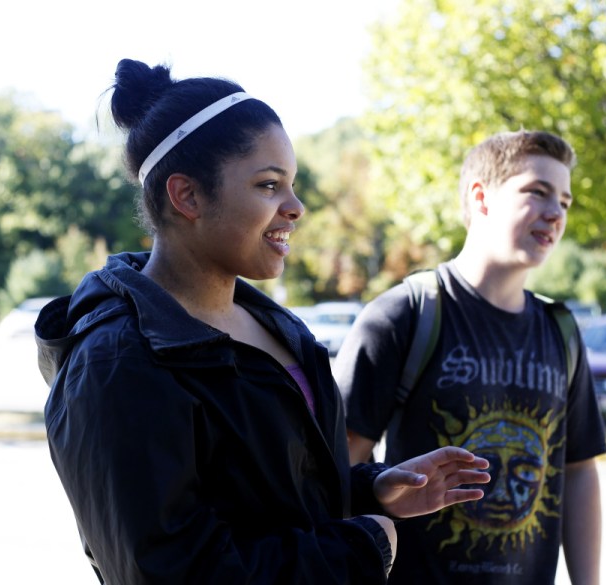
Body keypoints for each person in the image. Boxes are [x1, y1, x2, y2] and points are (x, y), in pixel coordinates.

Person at [34, 58, 491, 585]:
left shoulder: (273, 326)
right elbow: (172, 571)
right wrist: (360, 547)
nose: (296, 207)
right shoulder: (119, 364)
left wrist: (370, 488)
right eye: (269, 185)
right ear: (187, 196)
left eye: (291, 185)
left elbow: (265, 495)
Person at [334, 130, 606, 585]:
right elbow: (337, 470)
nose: (555, 212)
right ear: (481, 198)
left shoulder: (562, 330)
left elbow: (578, 471)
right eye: (537, 192)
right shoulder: (404, 315)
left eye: (564, 201)